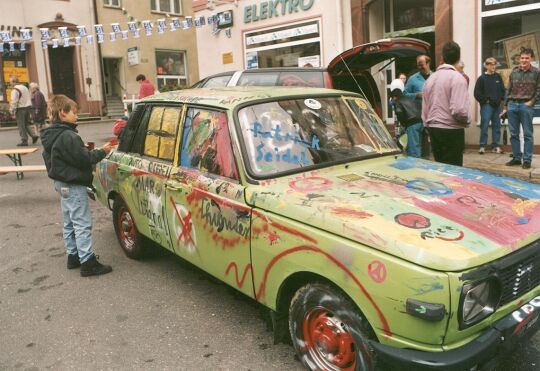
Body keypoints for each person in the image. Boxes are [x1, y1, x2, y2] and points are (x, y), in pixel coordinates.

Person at [40, 95, 113, 277]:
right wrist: (102, 151)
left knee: (70, 221)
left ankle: (73, 256)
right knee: (82, 222)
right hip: (73, 184)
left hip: (61, 183)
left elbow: (59, 158)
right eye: (74, 112)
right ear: (63, 113)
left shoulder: (52, 135)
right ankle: (88, 262)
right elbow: (84, 159)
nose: (76, 115)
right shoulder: (68, 136)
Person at [422, 41, 471, 166]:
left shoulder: (430, 79)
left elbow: (425, 109)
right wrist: (466, 121)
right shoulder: (458, 78)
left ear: (442, 58)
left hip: (434, 130)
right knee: (454, 172)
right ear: (458, 58)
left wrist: (428, 126)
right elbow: (460, 110)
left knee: (441, 170)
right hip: (452, 130)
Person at [501, 47, 540, 169]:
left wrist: (531, 101)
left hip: (526, 105)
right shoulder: (514, 72)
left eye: (527, 58)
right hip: (512, 105)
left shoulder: (536, 73)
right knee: (514, 134)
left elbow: (539, 90)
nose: (524, 60)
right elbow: (508, 89)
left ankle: (527, 160)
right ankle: (517, 158)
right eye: (522, 58)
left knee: (528, 134)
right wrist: (505, 107)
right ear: (519, 59)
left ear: (531, 59)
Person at [474, 57, 506, 154]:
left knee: (497, 126)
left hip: (497, 106)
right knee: (485, 125)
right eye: (491, 64)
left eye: (494, 64)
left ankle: (495, 146)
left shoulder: (498, 77)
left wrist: (501, 100)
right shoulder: (481, 78)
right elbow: (476, 93)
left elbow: (502, 90)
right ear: (486, 66)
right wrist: (486, 101)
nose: (493, 66)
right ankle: (482, 146)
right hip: (487, 106)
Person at [390, 79, 423, 158]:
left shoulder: (398, 101)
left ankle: (415, 166)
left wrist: (403, 124)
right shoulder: (408, 97)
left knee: (413, 149)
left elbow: (399, 113)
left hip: (412, 124)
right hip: (421, 122)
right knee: (419, 145)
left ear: (394, 96)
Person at [10, 76, 39, 146]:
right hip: (28, 107)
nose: (10, 83)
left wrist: (12, 110)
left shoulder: (15, 90)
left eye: (10, 82)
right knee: (26, 123)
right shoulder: (24, 87)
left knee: (21, 125)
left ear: (14, 82)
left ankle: (24, 140)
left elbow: (14, 101)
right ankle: (33, 135)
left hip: (20, 108)